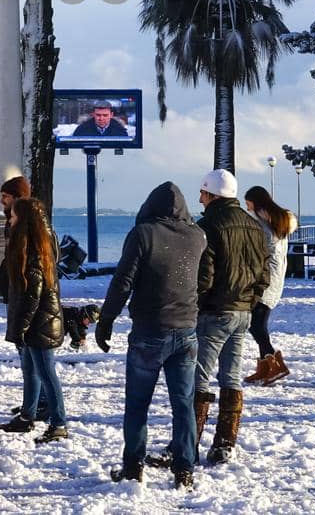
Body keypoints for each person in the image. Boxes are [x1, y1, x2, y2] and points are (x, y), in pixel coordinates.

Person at [96, 181, 206, 488]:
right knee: (183, 404)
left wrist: (106, 320)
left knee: (138, 403)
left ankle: (133, 467)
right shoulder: (197, 237)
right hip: (186, 331)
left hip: (149, 330)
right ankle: (184, 469)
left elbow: (123, 282)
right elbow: (203, 279)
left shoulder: (143, 234)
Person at [193, 169, 268, 467]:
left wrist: (198, 304)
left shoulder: (208, 225)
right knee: (231, 378)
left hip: (214, 312)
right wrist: (251, 300)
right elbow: (264, 272)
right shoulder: (253, 226)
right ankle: (225, 444)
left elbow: (204, 276)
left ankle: (188, 443)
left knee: (198, 379)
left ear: (213, 195)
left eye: (202, 193)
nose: (199, 198)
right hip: (242, 313)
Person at [0, 197, 69, 445]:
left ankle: (59, 422)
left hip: (41, 324)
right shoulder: (26, 245)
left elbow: (32, 294)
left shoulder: (35, 250)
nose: (10, 220)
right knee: (31, 370)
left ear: (24, 220)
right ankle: (27, 416)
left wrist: (21, 326)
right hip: (36, 322)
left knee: (46, 372)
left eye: (14, 216)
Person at [242, 185, 297, 385]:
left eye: (248, 204)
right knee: (258, 325)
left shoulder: (263, 225)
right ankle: (265, 368)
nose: (247, 208)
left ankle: (275, 365)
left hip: (265, 280)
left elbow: (257, 253)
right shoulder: (278, 221)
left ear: (256, 203)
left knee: (257, 326)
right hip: (275, 279)